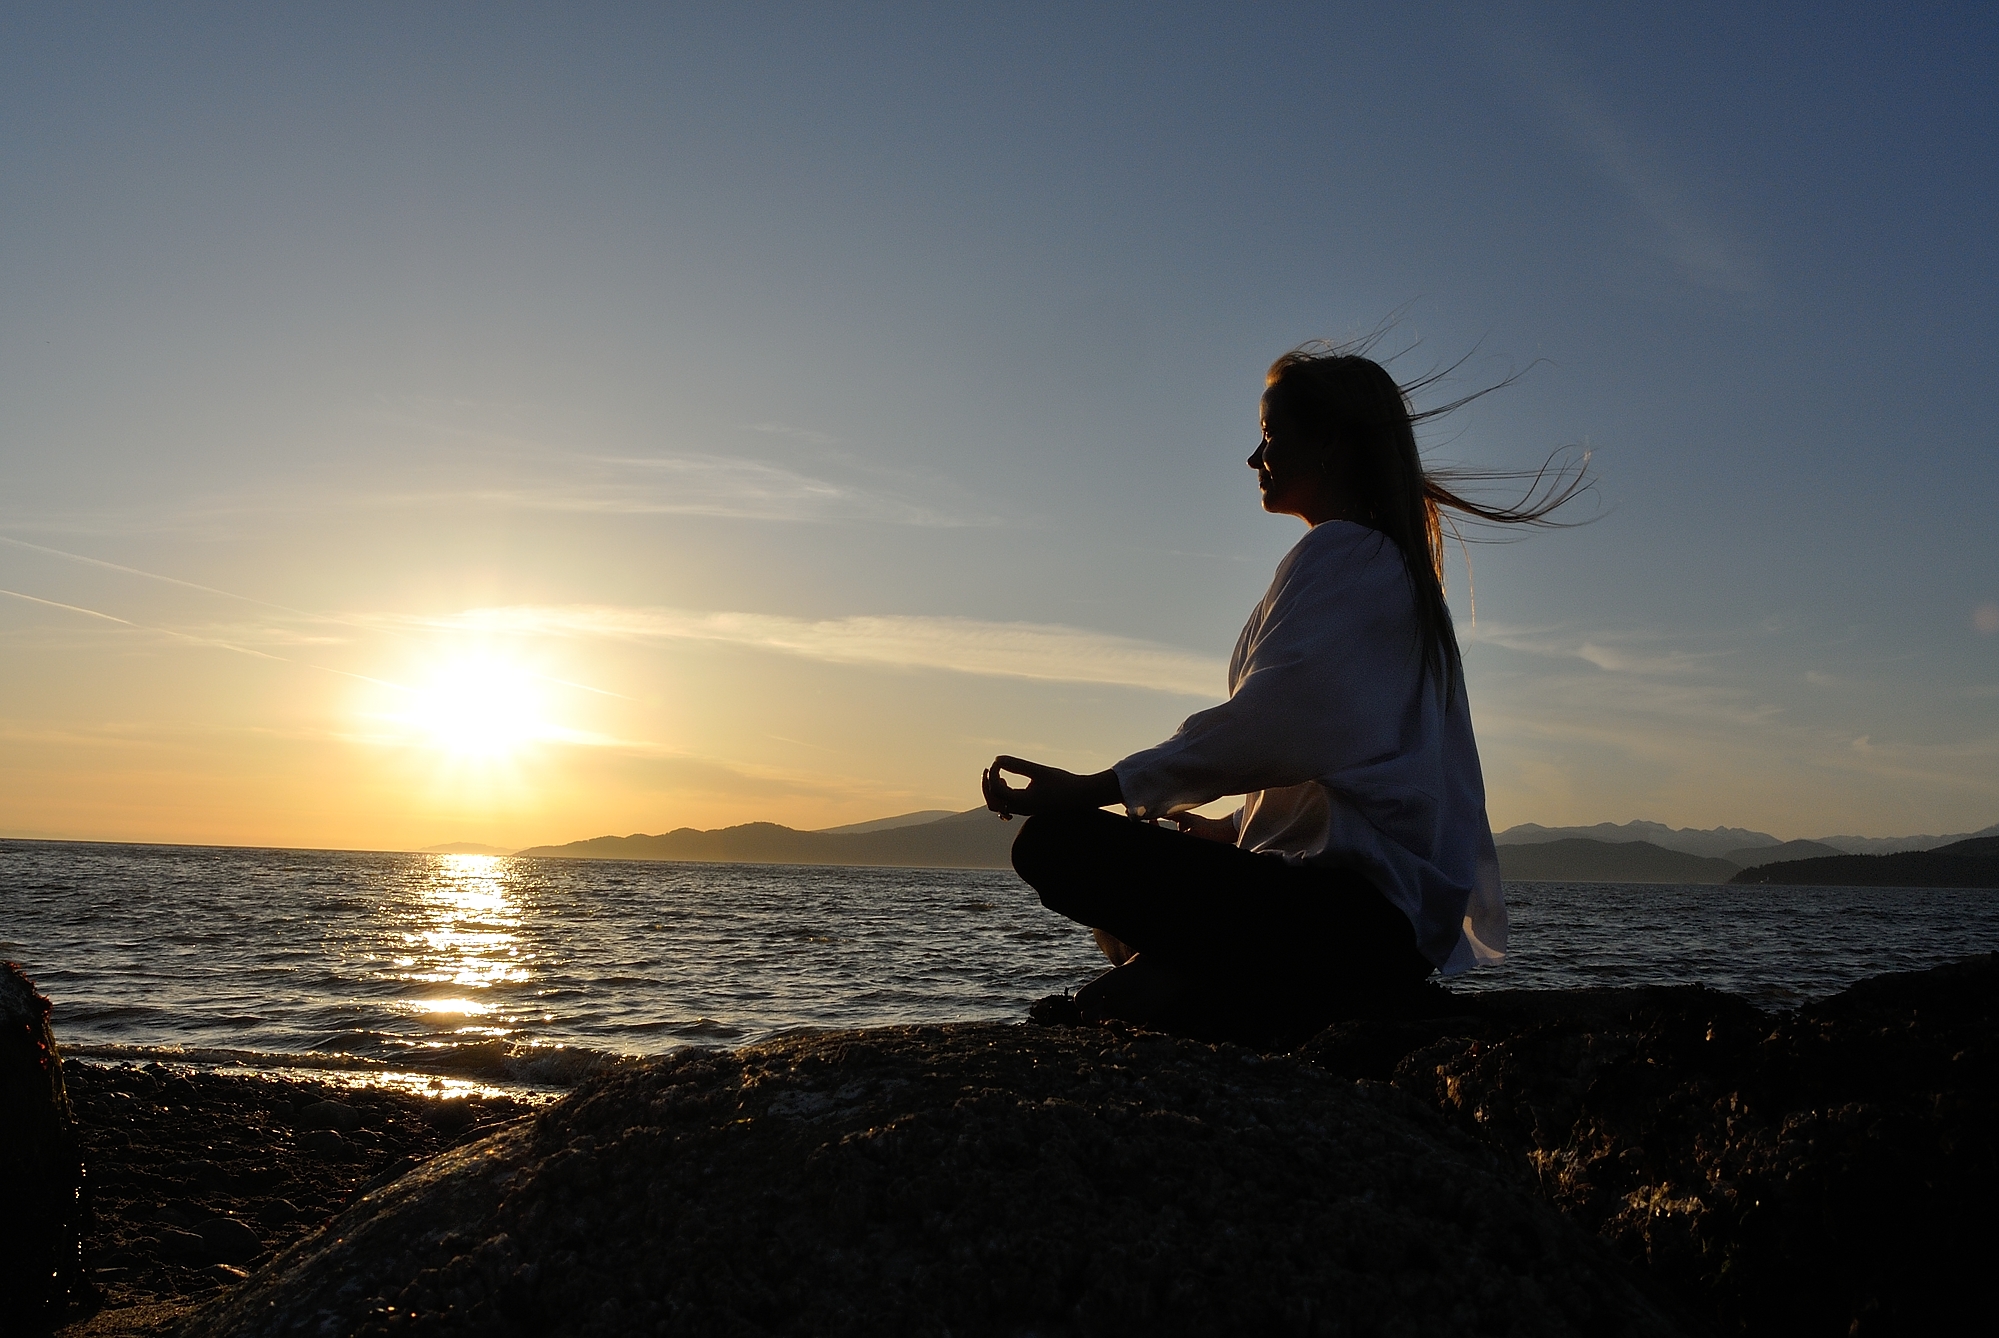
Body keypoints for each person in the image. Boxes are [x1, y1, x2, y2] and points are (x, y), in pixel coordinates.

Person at [982, 342, 1588, 1033]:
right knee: (1121, 906)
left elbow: (1275, 724)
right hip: (1375, 928)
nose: (1254, 458)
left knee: (1056, 844)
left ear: (1329, 443)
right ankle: (1187, 983)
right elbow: (1344, 758)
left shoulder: (1347, 553)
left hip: (1346, 923)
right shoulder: (1390, 573)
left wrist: (1096, 787)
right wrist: (1229, 828)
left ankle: (1193, 982)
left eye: (1270, 436)